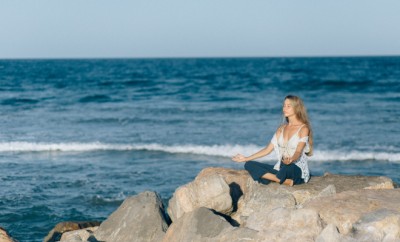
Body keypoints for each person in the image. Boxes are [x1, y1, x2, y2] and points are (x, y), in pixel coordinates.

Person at [232, 95, 313, 186]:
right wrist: (246, 158)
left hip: (295, 168)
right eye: (284, 105)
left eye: (288, 106)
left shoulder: (303, 128)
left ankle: (276, 178)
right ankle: (283, 180)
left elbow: (298, 151)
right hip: (281, 167)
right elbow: (267, 150)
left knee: (286, 169)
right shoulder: (281, 129)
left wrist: (291, 159)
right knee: (249, 164)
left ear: (297, 108)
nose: (284, 108)